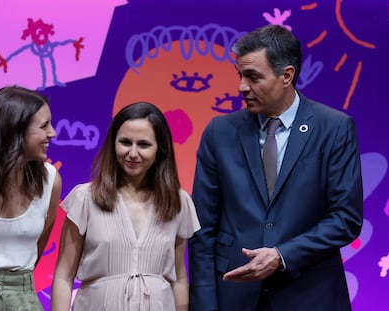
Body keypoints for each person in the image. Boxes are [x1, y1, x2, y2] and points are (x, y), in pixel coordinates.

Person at [188, 24, 363, 311]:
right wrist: (205, 305)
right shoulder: (219, 132)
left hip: (311, 295)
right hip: (234, 298)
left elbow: (346, 218)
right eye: (240, 75)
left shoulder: (334, 128)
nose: (242, 87)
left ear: (287, 75)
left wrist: (282, 255)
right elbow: (202, 231)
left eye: (253, 77)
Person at [51, 101, 200, 310]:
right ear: (113, 144)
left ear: (160, 149)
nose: (132, 153)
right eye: (125, 142)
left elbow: (179, 278)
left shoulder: (178, 202)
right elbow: (63, 277)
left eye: (143, 144)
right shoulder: (85, 198)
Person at [0, 85, 62, 310]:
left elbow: (39, 245)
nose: (52, 133)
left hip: (23, 296)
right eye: (44, 126)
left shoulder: (50, 180)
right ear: (15, 130)